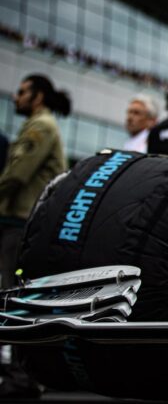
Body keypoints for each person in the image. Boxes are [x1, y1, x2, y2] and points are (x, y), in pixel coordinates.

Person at [0, 75, 70, 289]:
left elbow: (18, 173)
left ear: (38, 97)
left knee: (9, 288)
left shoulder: (41, 126)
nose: (15, 97)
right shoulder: (37, 124)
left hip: (22, 221)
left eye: (22, 92)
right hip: (18, 219)